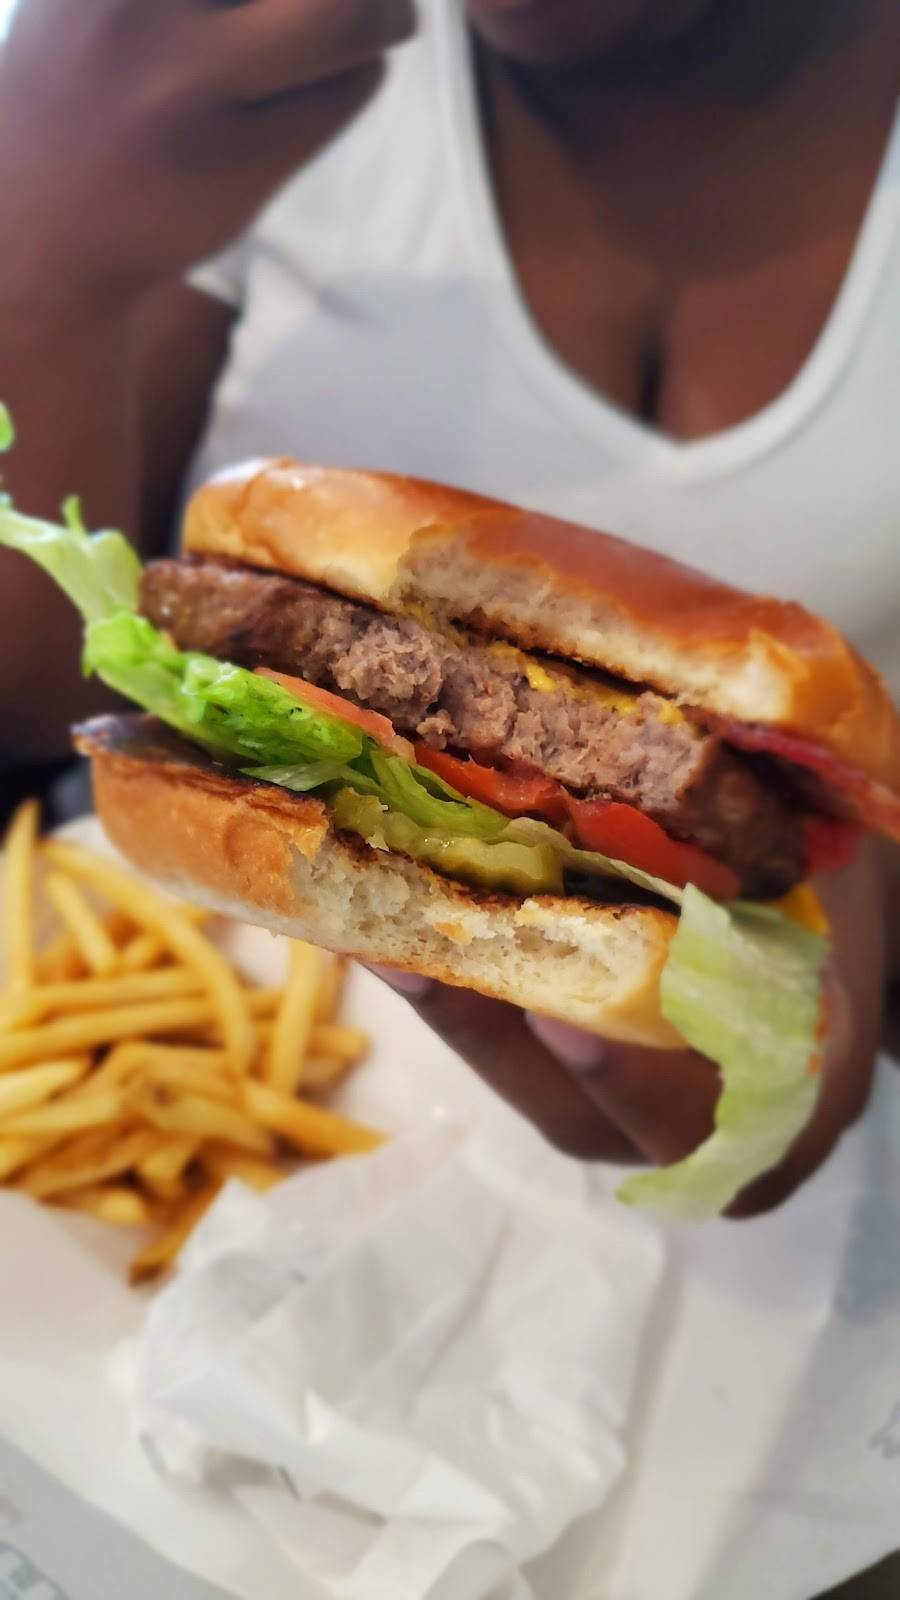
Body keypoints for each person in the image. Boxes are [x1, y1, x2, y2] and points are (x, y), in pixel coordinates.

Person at [0, 0, 897, 1211]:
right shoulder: (238, 69)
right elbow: (45, 688)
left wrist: (835, 980)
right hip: (130, 1056)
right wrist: (37, 263)